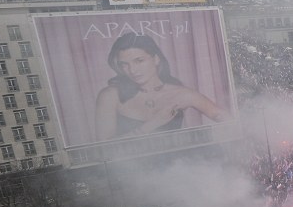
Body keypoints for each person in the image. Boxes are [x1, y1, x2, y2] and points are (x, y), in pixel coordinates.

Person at [95, 34, 230, 141]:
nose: (132, 70)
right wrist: (152, 125)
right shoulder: (110, 96)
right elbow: (105, 149)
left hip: (180, 166)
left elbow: (222, 117)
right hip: (132, 170)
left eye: (139, 61)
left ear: (156, 59)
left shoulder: (180, 93)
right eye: (125, 64)